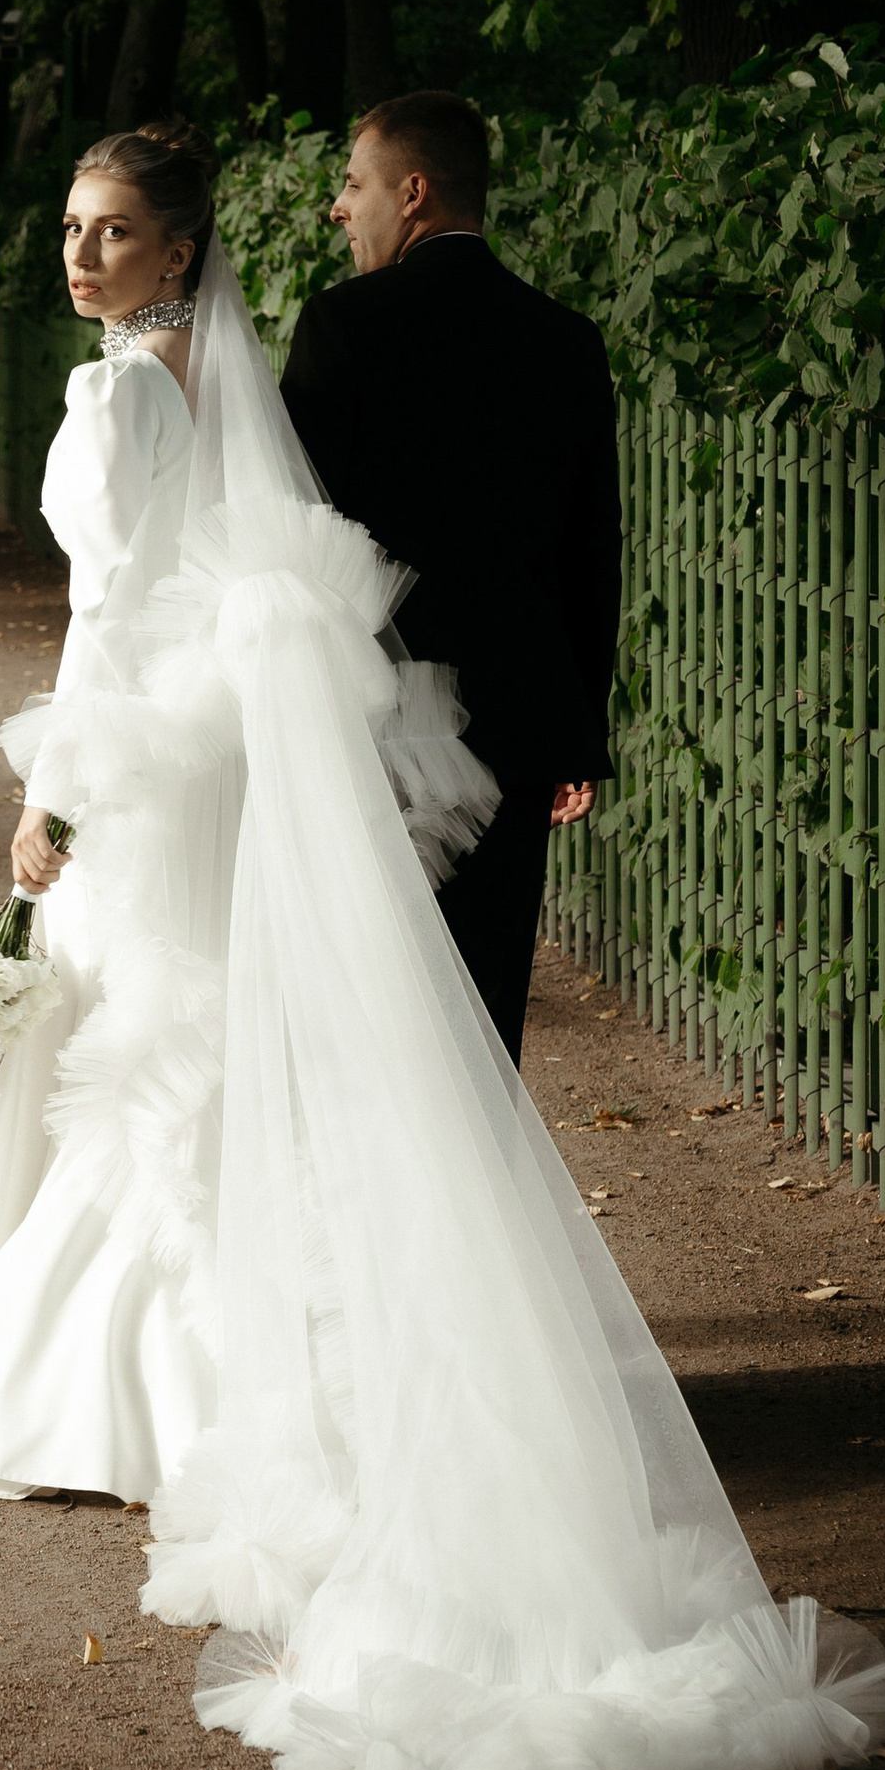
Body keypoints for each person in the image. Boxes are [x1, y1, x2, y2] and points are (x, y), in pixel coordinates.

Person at [0, 118, 885, 1770]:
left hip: (219, 733)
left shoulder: (257, 361)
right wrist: (570, 724)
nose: (82, 256)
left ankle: (214, 1380)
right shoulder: (521, 342)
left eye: (110, 231)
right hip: (412, 730)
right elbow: (567, 541)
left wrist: (66, 780)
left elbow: (150, 596)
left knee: (208, 1053)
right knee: (406, 1062)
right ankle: (389, 1345)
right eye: (74, 228)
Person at [279, 90, 617, 1065]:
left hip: (369, 726)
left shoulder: (343, 327)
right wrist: (574, 732)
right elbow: (591, 549)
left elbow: (300, 541)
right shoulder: (564, 339)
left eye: (353, 183)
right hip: (514, 730)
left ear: (412, 192)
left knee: (363, 1005)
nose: (341, 208)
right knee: (483, 1006)